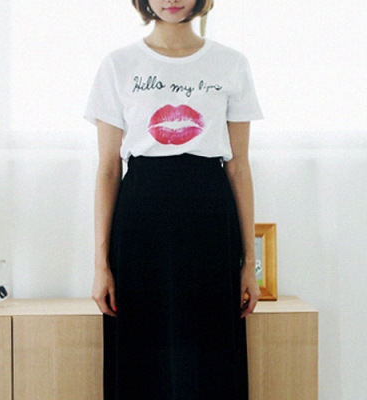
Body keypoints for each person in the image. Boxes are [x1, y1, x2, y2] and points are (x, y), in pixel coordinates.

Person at [84, 0, 263, 398]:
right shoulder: (118, 65)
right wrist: (101, 265)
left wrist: (249, 264)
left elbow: (239, 167)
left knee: (210, 349)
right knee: (141, 349)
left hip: (209, 218)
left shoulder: (230, 63)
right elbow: (108, 169)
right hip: (141, 220)